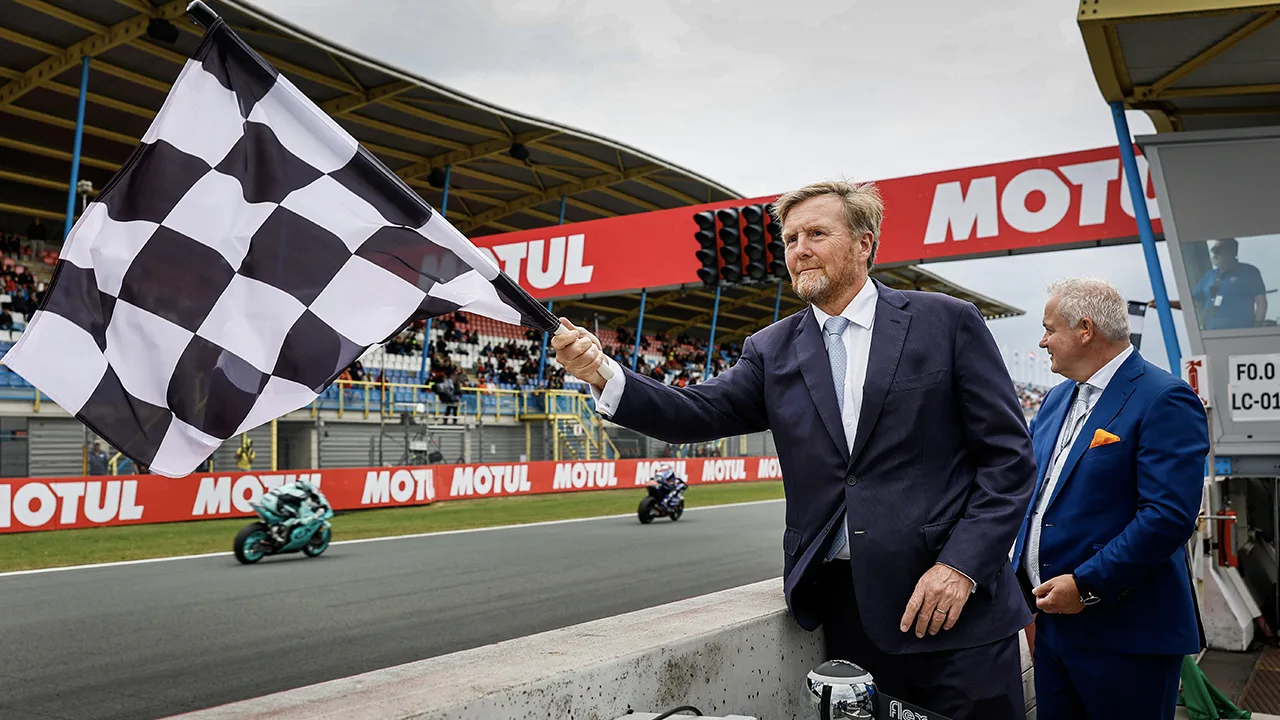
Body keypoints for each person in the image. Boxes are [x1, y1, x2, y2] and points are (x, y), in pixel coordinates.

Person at [552, 180, 1037, 720]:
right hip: (848, 613)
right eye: (789, 239)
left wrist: (962, 565)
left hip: (955, 609)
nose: (799, 249)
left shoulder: (946, 322)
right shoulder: (771, 348)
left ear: (863, 244)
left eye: (816, 233)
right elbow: (695, 411)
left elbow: (1009, 459)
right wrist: (601, 373)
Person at [1011, 278, 1208, 720]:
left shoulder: (1165, 397)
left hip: (1126, 633)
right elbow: (1033, 494)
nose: (1042, 341)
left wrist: (1086, 586)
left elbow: (1167, 517)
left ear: (1085, 329)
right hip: (1053, 627)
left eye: (1049, 329)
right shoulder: (1058, 398)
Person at [1188, 238, 1267, 329]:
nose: (1215, 253)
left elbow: (1261, 303)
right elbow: (1193, 302)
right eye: (1214, 250)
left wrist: (1256, 329)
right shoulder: (1209, 276)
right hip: (1211, 335)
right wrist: (1169, 304)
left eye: (1220, 250)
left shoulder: (1248, 272)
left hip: (1241, 333)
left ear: (1232, 252)